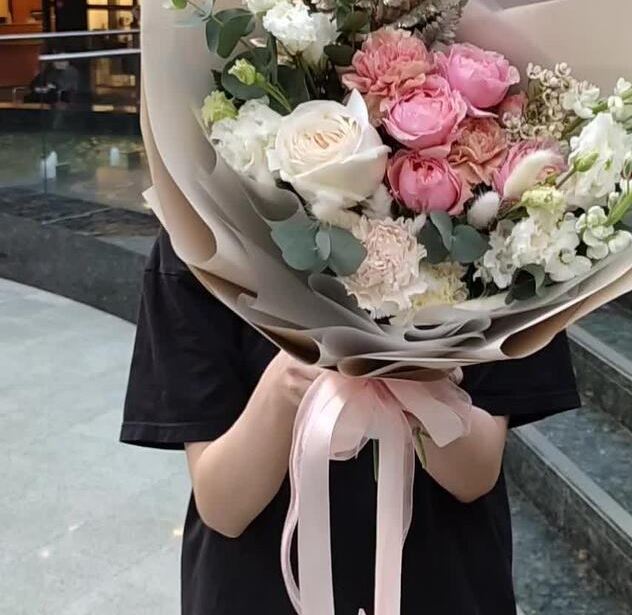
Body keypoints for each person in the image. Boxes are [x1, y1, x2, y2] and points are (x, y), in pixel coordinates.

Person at [121, 230, 581, 614]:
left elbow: (475, 475)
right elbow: (224, 506)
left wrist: (410, 375)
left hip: (439, 576)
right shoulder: (203, 235)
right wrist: (290, 380)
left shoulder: (495, 228)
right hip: (261, 584)